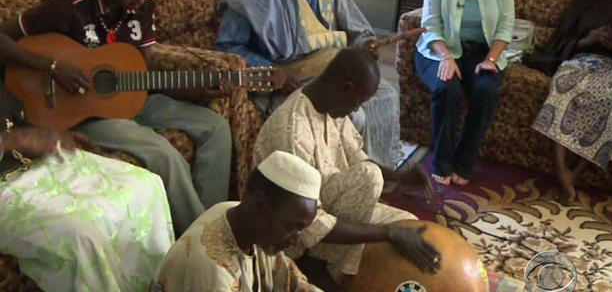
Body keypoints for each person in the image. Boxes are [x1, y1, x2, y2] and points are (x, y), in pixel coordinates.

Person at [1, 0, 232, 236]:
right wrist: (52, 66)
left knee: (216, 128)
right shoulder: (67, 9)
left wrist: (193, 91)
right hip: (84, 114)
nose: (138, 1)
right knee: (164, 155)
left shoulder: (143, 2)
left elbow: (143, 74)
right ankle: (205, 243)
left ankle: (210, 223)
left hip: (134, 99)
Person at [215, 0, 426, 171]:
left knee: (385, 95)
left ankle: (374, 176)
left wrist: (366, 46)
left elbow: (358, 31)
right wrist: (272, 70)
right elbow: (227, 48)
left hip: (334, 73)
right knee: (354, 117)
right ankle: (338, 184)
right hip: (289, 82)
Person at [253, 48, 441, 291]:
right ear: (345, 87)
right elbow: (309, 223)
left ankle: (341, 264)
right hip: (291, 234)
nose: (356, 110)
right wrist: (388, 234)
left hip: (325, 207)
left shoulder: (331, 106)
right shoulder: (292, 131)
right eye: (358, 102)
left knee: (409, 224)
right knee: (372, 185)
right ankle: (313, 266)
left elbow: (359, 160)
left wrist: (402, 176)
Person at [0, 32, 174, 291]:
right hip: (6, 186)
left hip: (39, 163)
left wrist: (52, 132)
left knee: (146, 184)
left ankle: (158, 284)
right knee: (83, 235)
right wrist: (17, 139)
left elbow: (14, 116)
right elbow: (13, 134)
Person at [526, 0, 612, 203]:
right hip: (579, 59)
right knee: (563, 86)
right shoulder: (583, 0)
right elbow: (560, 37)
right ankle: (559, 167)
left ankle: (574, 174)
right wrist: (587, 40)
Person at [414, 0, 514, 186]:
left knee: (486, 90)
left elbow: (505, 26)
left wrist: (491, 59)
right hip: (438, 49)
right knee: (447, 88)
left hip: (482, 53)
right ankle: (442, 162)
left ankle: (465, 161)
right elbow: (430, 26)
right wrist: (446, 57)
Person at [152, 151, 323, 292]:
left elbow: (292, 282)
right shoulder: (211, 271)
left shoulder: (243, 216)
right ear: (259, 204)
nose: (295, 241)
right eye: (292, 227)